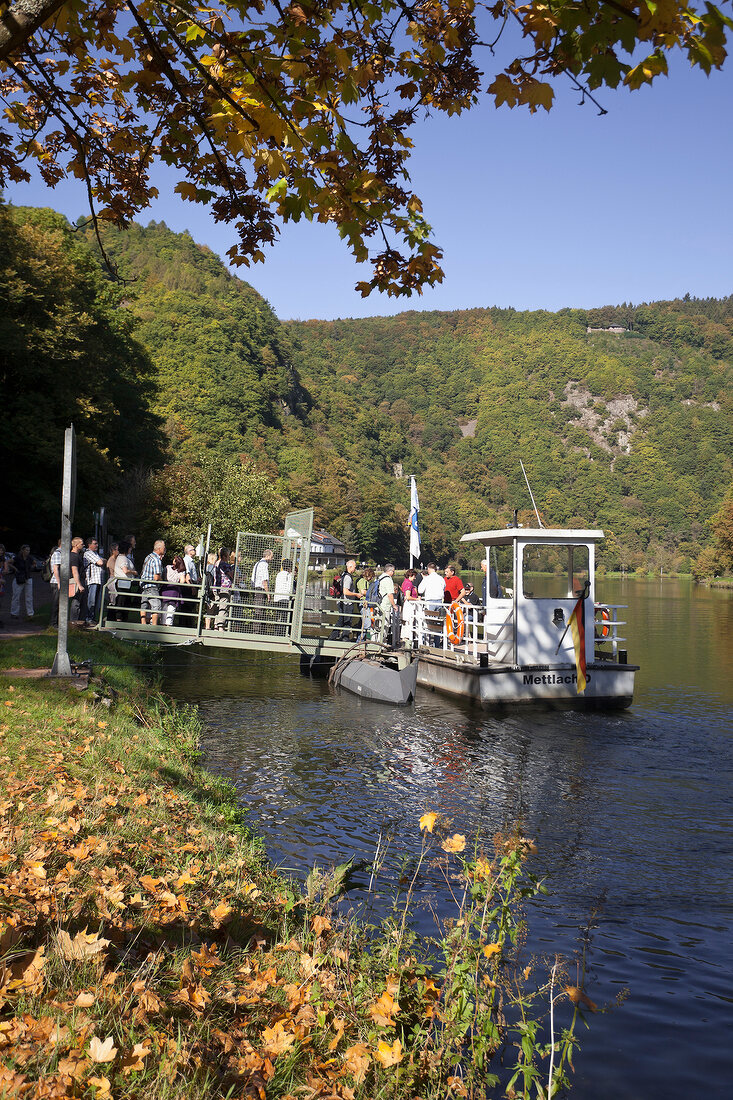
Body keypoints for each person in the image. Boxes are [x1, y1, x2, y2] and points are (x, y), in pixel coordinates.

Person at [418, 562, 445, 646]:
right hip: (440, 601)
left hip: (430, 601)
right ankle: (436, 643)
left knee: (428, 622)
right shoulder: (441, 578)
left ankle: (427, 642)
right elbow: (444, 587)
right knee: (438, 622)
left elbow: (420, 590)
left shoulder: (427, 578)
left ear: (429, 569)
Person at [140, 540, 165, 625]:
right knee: (156, 606)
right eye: (164, 547)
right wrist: (163, 581)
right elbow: (156, 577)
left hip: (144, 585)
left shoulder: (148, 556)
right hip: (152, 586)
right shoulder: (157, 559)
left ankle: (143, 624)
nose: (165, 549)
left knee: (144, 605)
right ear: (159, 548)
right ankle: (154, 626)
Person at [160, 554, 189, 626]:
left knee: (164, 608)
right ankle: (169, 624)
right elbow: (182, 581)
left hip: (166, 588)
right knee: (171, 609)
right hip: (174, 590)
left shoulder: (167, 567)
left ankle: (163, 623)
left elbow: (163, 576)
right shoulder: (181, 571)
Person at [83, 537, 106, 625]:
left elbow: (104, 561)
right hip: (92, 580)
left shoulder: (95, 553)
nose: (97, 545)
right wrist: (101, 561)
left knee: (96, 600)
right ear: (89, 545)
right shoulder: (88, 553)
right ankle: (88, 618)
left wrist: (101, 561)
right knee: (91, 600)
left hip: (98, 580)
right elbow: (101, 562)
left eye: (97, 543)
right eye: (95, 544)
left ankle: (92, 618)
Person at [113, 540, 138, 620]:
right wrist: (134, 572)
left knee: (125, 600)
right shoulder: (123, 558)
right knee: (122, 600)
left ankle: (123, 618)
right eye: (130, 548)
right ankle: (119, 618)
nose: (131, 550)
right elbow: (125, 570)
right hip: (123, 582)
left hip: (125, 583)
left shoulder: (122, 558)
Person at [9, 544, 35, 621]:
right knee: (16, 596)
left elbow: (34, 563)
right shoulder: (17, 558)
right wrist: (15, 569)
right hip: (19, 578)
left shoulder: (30, 558)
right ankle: (14, 613)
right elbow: (8, 562)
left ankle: (30, 613)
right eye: (26, 550)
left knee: (29, 597)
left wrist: (32, 567)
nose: (28, 552)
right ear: (22, 550)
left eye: (29, 550)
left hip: (28, 578)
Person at [250, 548, 273, 633]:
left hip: (255, 589)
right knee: (259, 610)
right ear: (267, 556)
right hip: (260, 589)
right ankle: (258, 631)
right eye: (271, 557)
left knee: (258, 609)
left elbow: (253, 578)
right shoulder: (264, 564)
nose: (272, 559)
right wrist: (268, 593)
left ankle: (258, 630)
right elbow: (264, 580)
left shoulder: (257, 563)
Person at [338, 559, 360, 640]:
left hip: (345, 602)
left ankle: (339, 638)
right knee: (347, 622)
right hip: (347, 603)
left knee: (342, 621)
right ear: (350, 567)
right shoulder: (348, 577)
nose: (355, 569)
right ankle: (344, 639)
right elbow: (346, 592)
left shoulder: (344, 574)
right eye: (354, 567)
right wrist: (356, 594)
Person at [378, 563, 398, 644]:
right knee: (385, 624)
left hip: (378, 604)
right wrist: (394, 605)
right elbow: (390, 594)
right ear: (390, 571)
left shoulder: (380, 577)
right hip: (385, 606)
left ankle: (377, 641)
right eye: (393, 571)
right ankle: (382, 643)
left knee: (378, 624)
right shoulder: (388, 580)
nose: (393, 573)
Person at [273, 558, 294, 635]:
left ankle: (277, 632)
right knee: (285, 616)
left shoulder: (279, 574)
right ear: (289, 567)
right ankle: (283, 633)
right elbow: (289, 588)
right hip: (285, 598)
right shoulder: (289, 575)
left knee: (278, 616)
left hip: (277, 598)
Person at [214, 547, 233, 631]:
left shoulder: (217, 563)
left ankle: (215, 625)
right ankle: (220, 626)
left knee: (219, 607)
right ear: (225, 556)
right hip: (224, 588)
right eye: (228, 555)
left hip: (217, 588)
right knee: (223, 607)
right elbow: (232, 575)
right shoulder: (224, 564)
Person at [400, 568, 420, 647]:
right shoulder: (409, 583)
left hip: (407, 604)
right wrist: (417, 599)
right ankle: (408, 638)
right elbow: (408, 596)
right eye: (414, 576)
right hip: (409, 605)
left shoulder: (405, 582)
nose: (415, 578)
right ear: (411, 575)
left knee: (406, 621)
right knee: (409, 621)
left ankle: (405, 638)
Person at [69, 536, 86, 624]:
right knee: (76, 603)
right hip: (77, 582)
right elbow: (74, 571)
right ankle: (73, 622)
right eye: (81, 544)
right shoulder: (74, 557)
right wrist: (79, 585)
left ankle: (80, 622)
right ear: (76, 545)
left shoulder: (78, 556)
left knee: (82, 603)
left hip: (80, 581)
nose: (83, 545)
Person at [356, 567, 375, 640]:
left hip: (366, 603)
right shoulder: (362, 581)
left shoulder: (366, 582)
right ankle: (359, 640)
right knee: (367, 624)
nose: (371, 578)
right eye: (371, 576)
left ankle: (361, 639)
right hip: (363, 603)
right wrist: (372, 593)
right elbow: (363, 592)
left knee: (363, 622)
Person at [49, 538, 62, 627]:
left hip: (59, 581)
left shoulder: (61, 553)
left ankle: (57, 622)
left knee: (60, 603)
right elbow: (55, 569)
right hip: (56, 582)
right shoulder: (57, 553)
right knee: (56, 603)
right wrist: (59, 582)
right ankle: (53, 624)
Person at [105, 542, 119, 619]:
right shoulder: (111, 560)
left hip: (114, 580)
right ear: (113, 550)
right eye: (117, 550)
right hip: (112, 580)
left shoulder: (115, 559)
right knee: (113, 599)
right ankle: (110, 617)